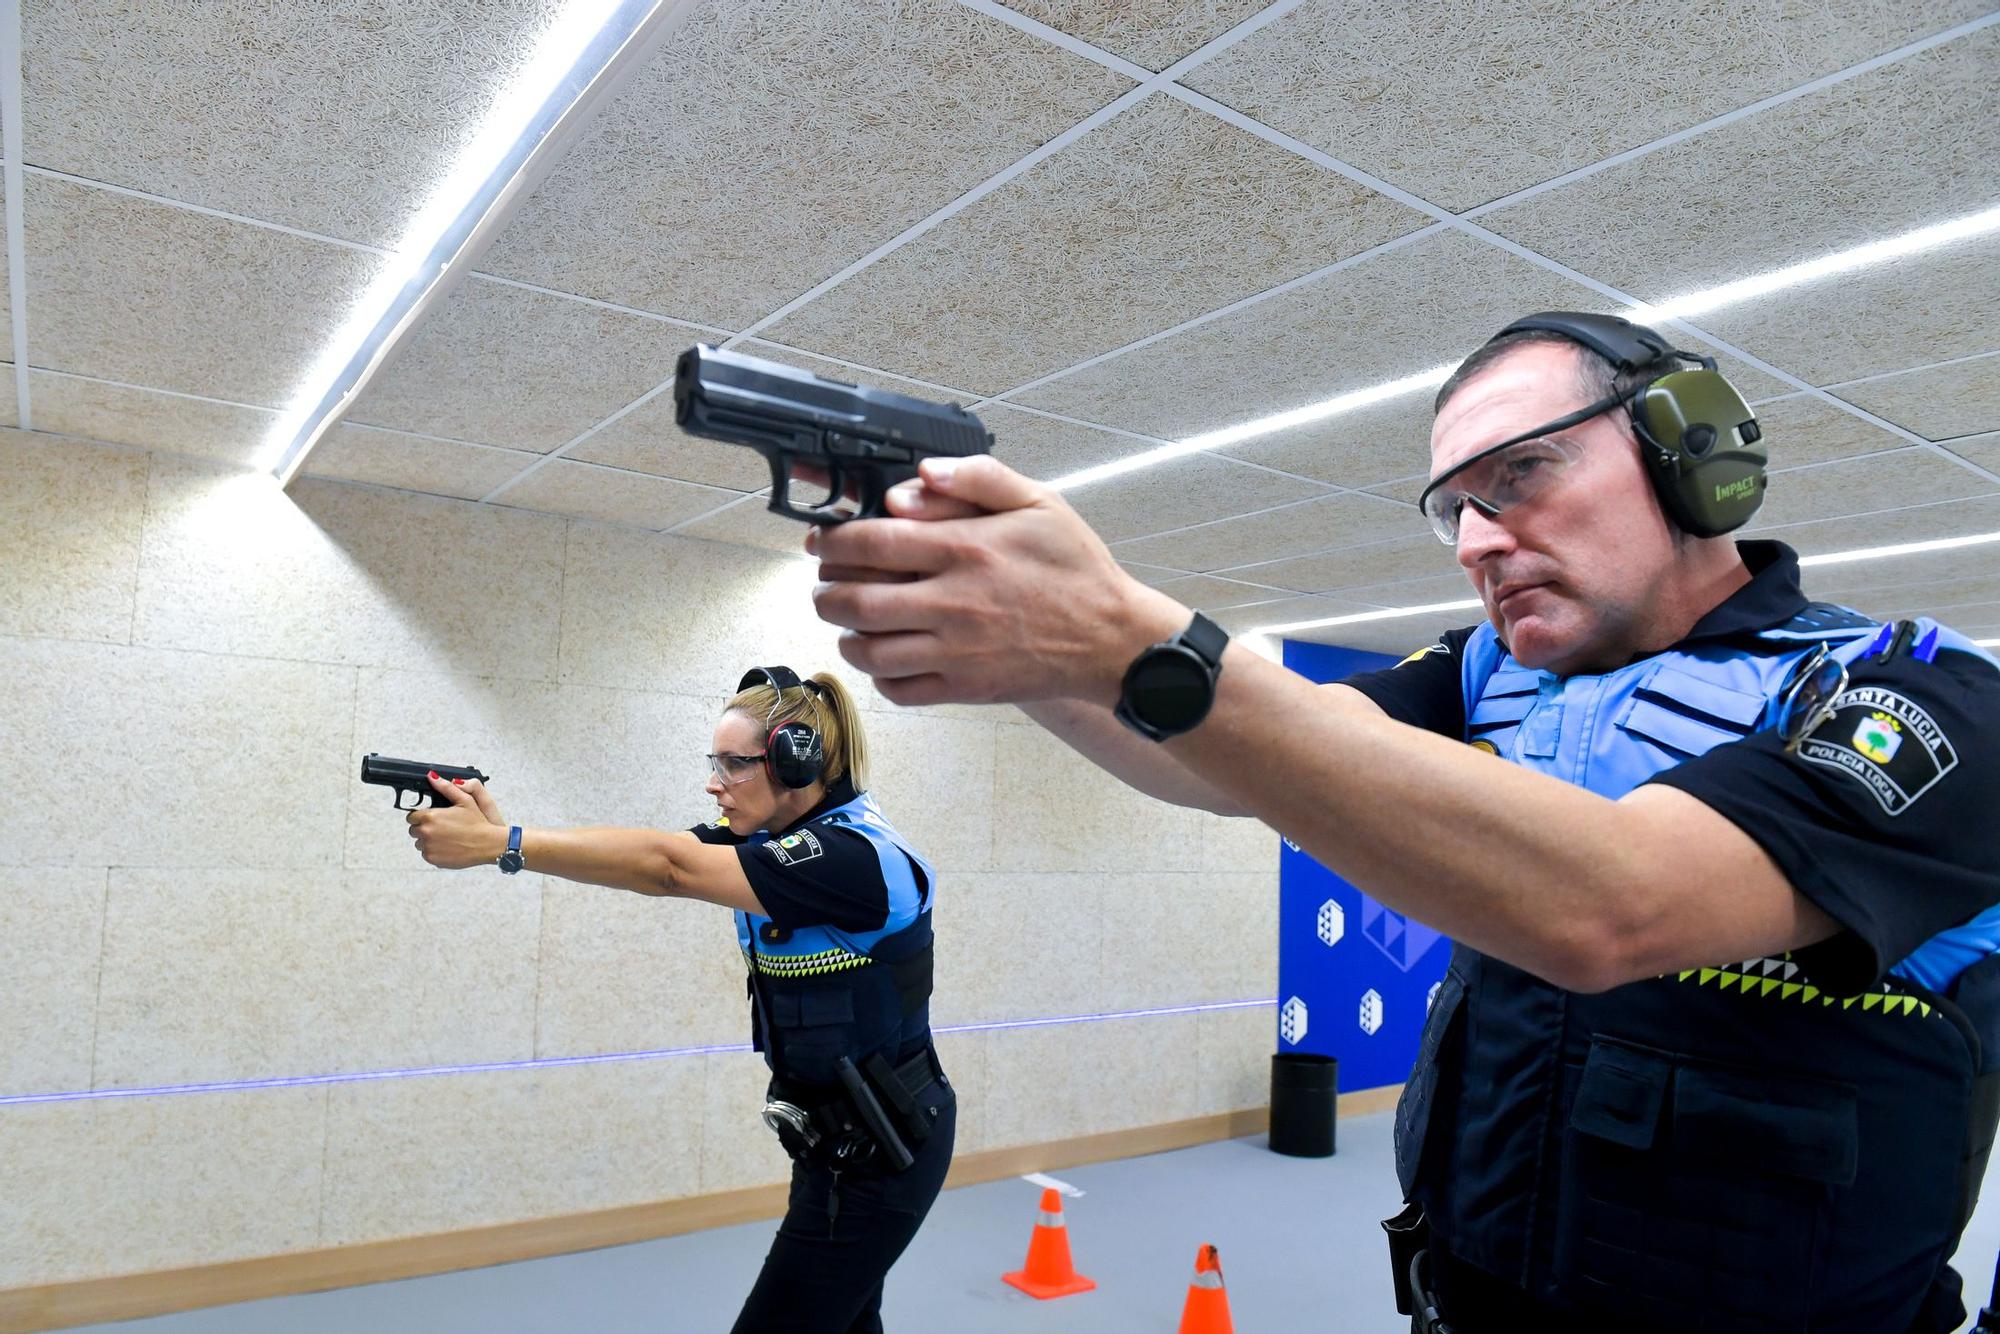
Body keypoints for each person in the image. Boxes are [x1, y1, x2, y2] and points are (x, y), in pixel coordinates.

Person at [805, 311, 2000, 1331]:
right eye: (1455, 508)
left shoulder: (1907, 693)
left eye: (1519, 473)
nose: (1477, 539)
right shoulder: (1486, 675)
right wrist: (1027, 660)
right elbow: (1227, 766)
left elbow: (1611, 904)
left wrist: (1137, 636)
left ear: (1690, 455)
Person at [406, 666, 954, 1334]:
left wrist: (506, 848)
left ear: (794, 761)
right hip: (834, 1141)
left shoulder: (857, 860)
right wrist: (506, 836)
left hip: (883, 1149)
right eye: (713, 761)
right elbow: (653, 852)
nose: (714, 780)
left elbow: (671, 870)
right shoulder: (770, 841)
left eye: (734, 763)